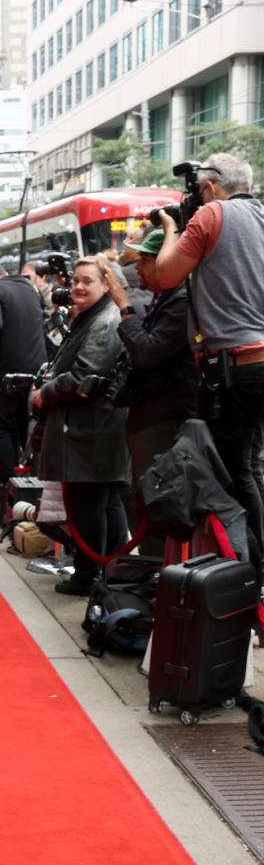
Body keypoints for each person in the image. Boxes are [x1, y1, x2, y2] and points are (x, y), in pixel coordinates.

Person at [155, 152, 264, 584]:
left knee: (234, 473)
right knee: (252, 468)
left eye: (200, 189)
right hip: (258, 361)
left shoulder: (212, 215)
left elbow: (165, 275)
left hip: (234, 366)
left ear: (211, 187)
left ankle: (251, 578)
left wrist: (171, 230)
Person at [32, 256, 130, 596]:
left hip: (92, 430)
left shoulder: (104, 320)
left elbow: (85, 375)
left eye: (87, 280)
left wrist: (45, 392)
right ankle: (107, 571)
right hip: (96, 428)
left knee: (90, 506)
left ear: (107, 284)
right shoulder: (96, 315)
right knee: (103, 503)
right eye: (75, 280)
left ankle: (89, 576)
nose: (77, 286)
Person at [108, 228, 200, 557]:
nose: (137, 269)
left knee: (156, 501)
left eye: (144, 260)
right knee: (145, 500)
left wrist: (124, 306)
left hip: (164, 417)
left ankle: (157, 583)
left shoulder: (181, 301)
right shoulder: (167, 298)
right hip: (151, 414)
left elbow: (147, 353)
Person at [0, 262, 47, 500]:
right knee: (26, 425)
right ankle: (31, 482)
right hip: (36, 368)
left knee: (2, 426)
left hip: (6, 371)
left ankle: (8, 486)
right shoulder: (31, 287)